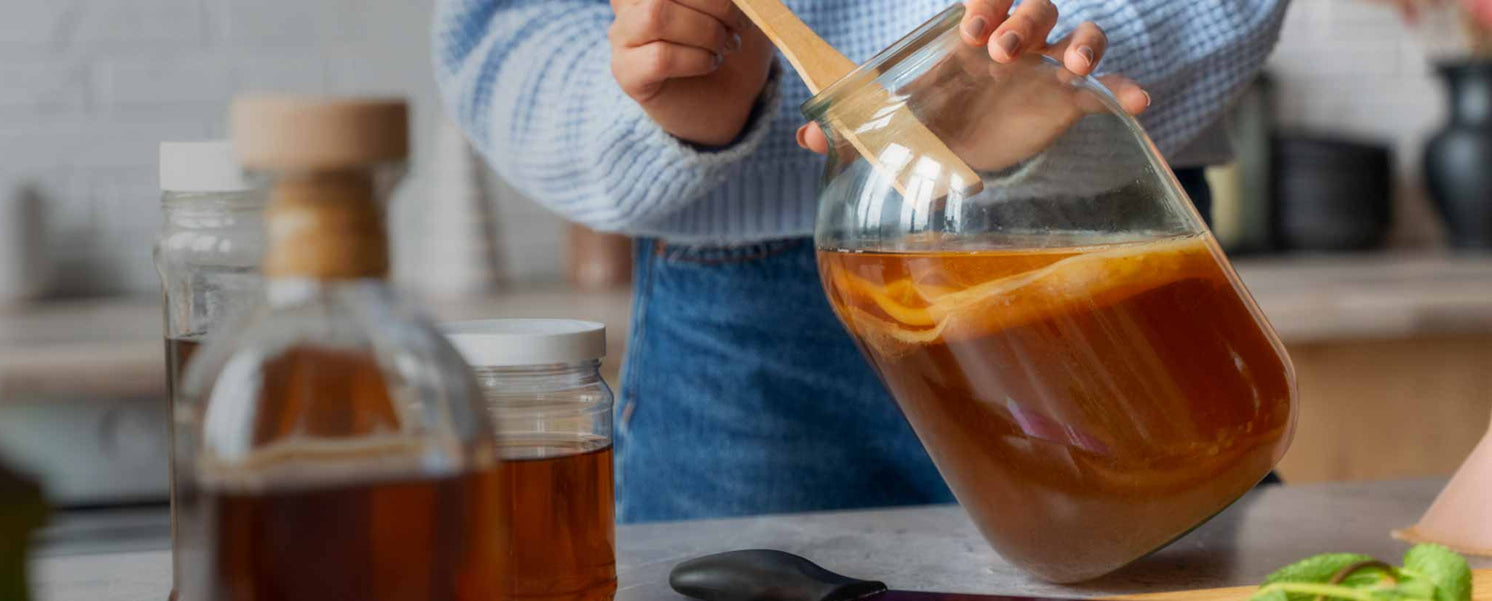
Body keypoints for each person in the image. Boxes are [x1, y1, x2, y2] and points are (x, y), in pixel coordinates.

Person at [434, 0, 1290, 523]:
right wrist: (656, 96)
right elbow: (498, 30)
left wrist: (1064, 55)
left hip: (1097, 230)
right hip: (741, 353)